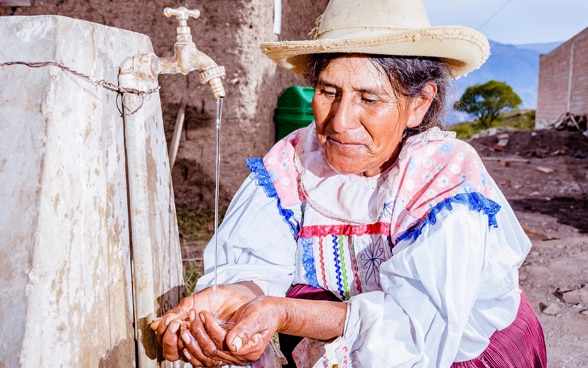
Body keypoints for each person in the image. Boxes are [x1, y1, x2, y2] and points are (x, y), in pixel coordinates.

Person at [151, 0, 547, 366]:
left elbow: (418, 328)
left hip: (457, 355)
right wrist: (233, 301)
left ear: (419, 103)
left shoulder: (445, 175)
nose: (339, 121)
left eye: (369, 99)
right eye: (328, 92)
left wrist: (285, 312)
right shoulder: (292, 161)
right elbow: (256, 263)